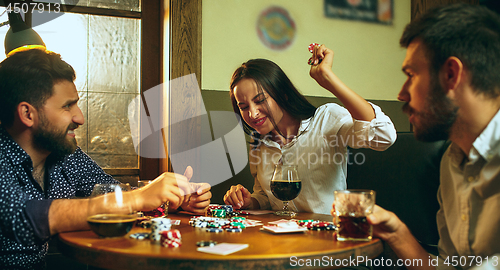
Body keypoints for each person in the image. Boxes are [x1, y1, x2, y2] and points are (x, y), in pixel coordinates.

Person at [0, 48, 212, 270]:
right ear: (27, 114)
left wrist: (170, 200)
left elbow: (110, 193)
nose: (79, 117)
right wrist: (138, 198)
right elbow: (23, 217)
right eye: (67, 106)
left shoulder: (65, 155)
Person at [348, 3, 500, 269]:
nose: (401, 94)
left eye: (411, 75)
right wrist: (398, 233)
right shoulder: (452, 162)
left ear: (451, 75)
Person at [223, 45, 397, 215]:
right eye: (243, 106)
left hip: (327, 236)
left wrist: (328, 78)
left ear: (282, 94)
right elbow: (266, 197)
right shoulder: (259, 144)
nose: (252, 113)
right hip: (281, 239)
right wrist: (248, 201)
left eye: (260, 100)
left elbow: (384, 136)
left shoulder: (327, 120)